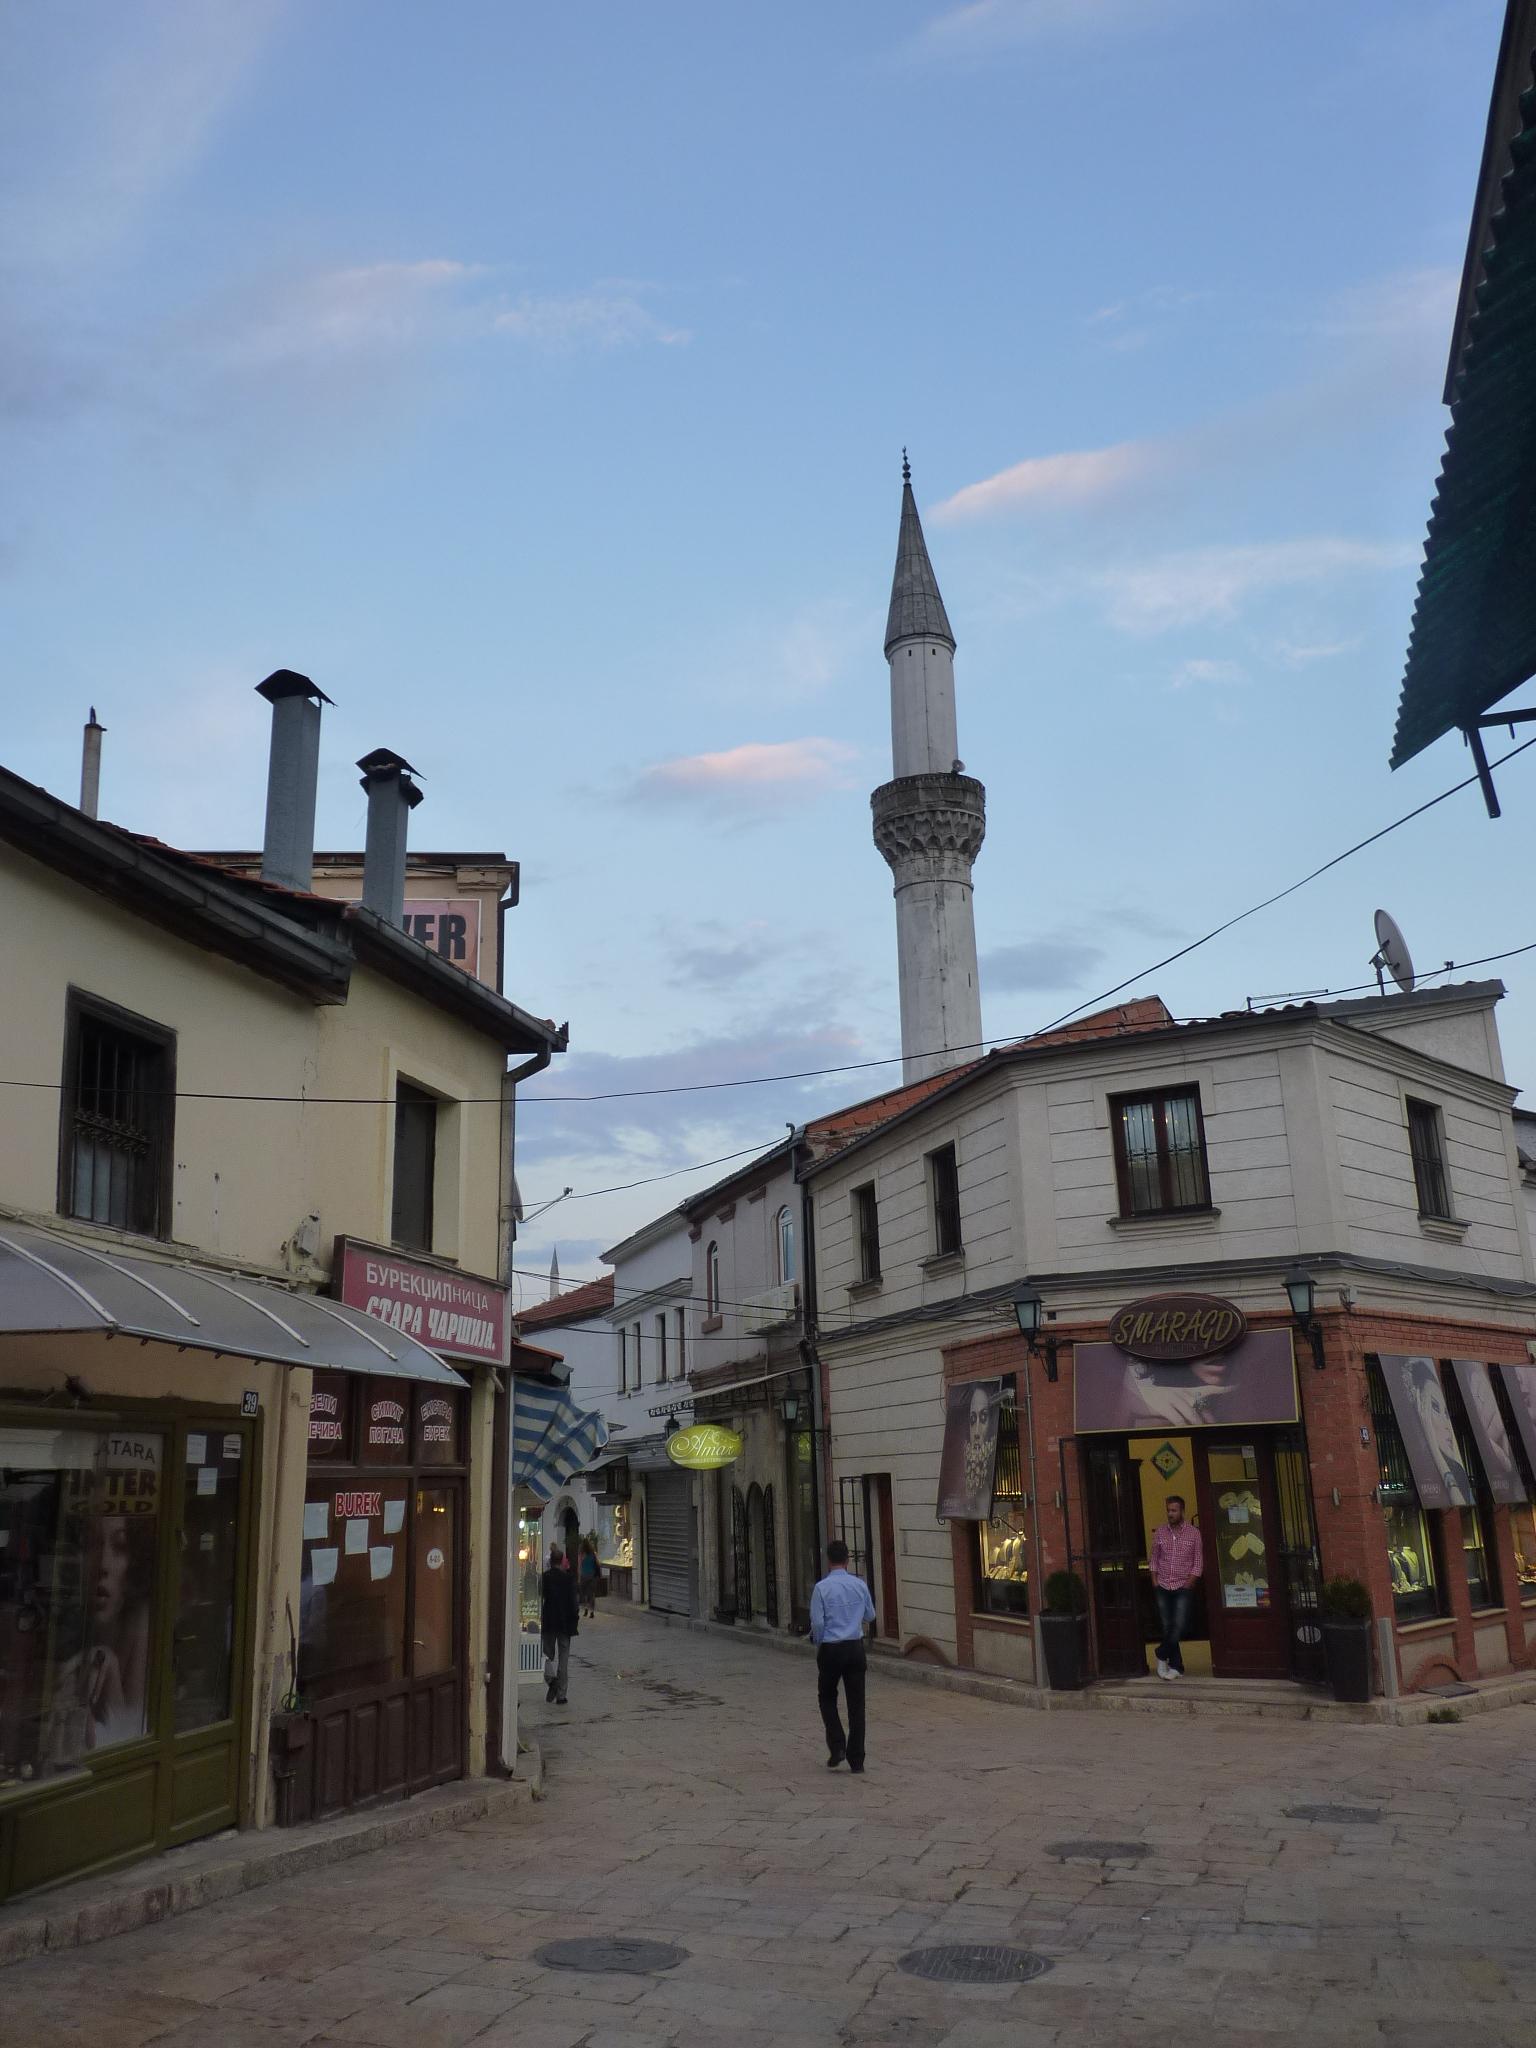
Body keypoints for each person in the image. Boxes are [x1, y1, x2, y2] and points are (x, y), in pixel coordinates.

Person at [809, 1540, 876, 1773]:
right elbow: (870, 1614)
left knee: (827, 1697)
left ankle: (837, 1745)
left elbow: (817, 1623)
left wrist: (819, 1642)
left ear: (829, 1560)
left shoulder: (822, 1588)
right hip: (855, 1647)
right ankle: (857, 1759)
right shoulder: (859, 1585)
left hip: (831, 1648)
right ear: (847, 1560)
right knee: (857, 1704)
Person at [1149, 1494, 1202, 1681]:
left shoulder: (1194, 1533)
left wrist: (1190, 1583)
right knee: (1167, 1626)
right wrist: (1155, 1581)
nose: (1170, 1514)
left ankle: (1161, 1653)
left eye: (1174, 1510)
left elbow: (1198, 1562)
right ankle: (1177, 1666)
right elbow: (1154, 1558)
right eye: (1168, 1510)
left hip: (1182, 1586)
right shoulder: (1161, 1533)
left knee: (1179, 1625)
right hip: (1163, 1584)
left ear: (1182, 1511)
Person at [540, 1542, 579, 1705]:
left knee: (545, 1655)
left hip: (549, 1621)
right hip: (565, 1622)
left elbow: (540, 1596)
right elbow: (573, 1601)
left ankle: (551, 1679)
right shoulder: (568, 1579)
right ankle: (561, 1695)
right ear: (562, 1560)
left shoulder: (545, 1577)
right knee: (564, 1658)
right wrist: (575, 1618)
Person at [578, 1535, 600, 1620]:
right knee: (592, 1594)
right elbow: (598, 1564)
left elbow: (579, 1567)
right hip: (592, 1575)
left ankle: (586, 1609)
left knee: (585, 1594)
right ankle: (592, 1612)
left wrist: (579, 1578)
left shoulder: (581, 1554)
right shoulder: (593, 1553)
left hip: (584, 1575)